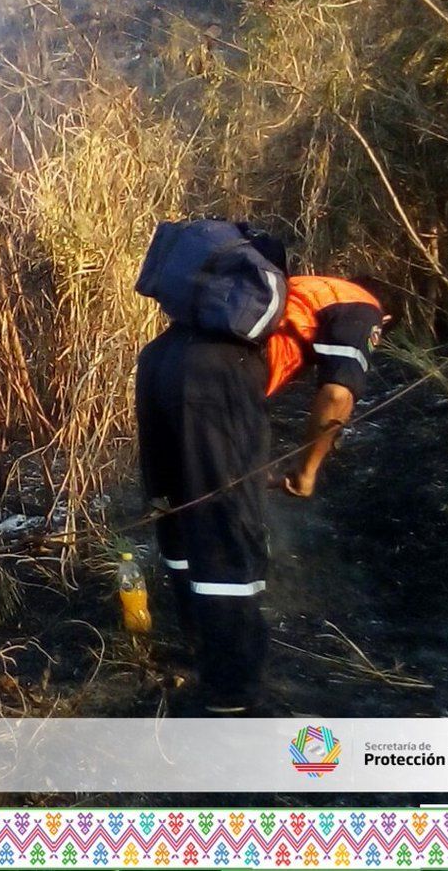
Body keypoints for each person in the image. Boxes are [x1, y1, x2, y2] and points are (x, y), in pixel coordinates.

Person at [136, 273, 390, 713]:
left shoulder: (293, 287)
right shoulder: (361, 305)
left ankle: (198, 639)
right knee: (226, 526)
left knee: (176, 508)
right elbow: (335, 395)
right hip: (216, 378)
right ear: (384, 318)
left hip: (159, 362)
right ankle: (231, 692)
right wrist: (308, 470)